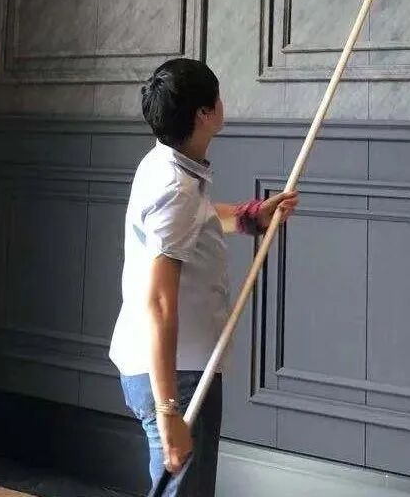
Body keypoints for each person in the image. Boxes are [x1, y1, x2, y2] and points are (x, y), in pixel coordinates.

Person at [109, 58, 298, 496]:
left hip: (174, 368)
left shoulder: (168, 166)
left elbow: (196, 220)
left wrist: (251, 216)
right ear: (204, 114)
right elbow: (159, 302)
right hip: (176, 375)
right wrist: (168, 410)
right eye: (218, 96)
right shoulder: (175, 189)